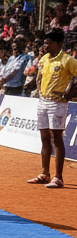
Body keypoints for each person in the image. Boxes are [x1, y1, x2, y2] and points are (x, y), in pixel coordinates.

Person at [28, 29, 77, 189]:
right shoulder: (44, 59)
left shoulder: (67, 60)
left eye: (49, 43)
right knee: (44, 137)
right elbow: (39, 77)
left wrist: (71, 94)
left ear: (59, 44)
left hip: (58, 103)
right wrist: (38, 89)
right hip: (43, 101)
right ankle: (45, 173)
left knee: (56, 138)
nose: (45, 45)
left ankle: (58, 177)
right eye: (45, 42)